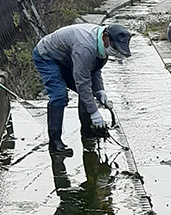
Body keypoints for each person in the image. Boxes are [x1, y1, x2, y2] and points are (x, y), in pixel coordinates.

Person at [32, 22, 132, 156]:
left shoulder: (102, 44)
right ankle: (55, 143)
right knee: (59, 96)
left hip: (67, 58)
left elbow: (94, 70)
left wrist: (100, 90)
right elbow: (83, 83)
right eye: (116, 48)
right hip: (47, 56)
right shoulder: (85, 47)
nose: (115, 52)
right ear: (106, 37)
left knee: (90, 93)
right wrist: (94, 112)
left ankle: (87, 131)